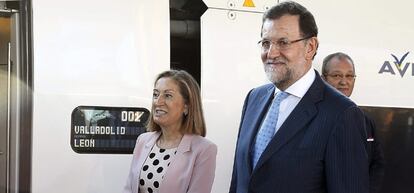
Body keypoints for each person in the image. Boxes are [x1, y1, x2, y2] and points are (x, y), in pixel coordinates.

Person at [229, 1, 369, 193]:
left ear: (310, 47)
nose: (271, 53)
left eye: (283, 42)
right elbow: (239, 180)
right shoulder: (254, 98)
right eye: (266, 43)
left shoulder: (342, 114)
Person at [123, 70, 217, 193]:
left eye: (168, 96)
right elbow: (129, 189)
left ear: (186, 106)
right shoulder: (143, 140)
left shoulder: (204, 150)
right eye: (156, 95)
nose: (158, 102)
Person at [322, 52, 385, 193]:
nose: (344, 82)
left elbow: (377, 164)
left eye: (349, 76)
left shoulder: (366, 121)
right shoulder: (313, 118)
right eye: (337, 75)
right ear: (323, 79)